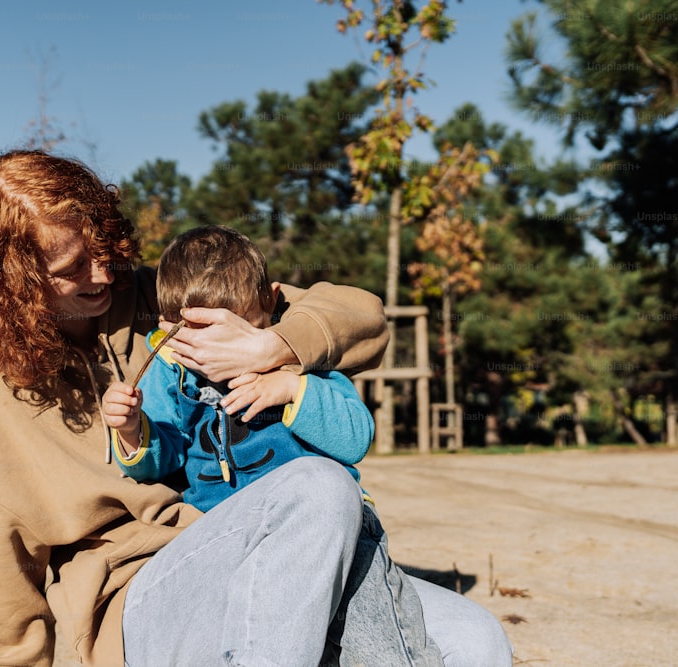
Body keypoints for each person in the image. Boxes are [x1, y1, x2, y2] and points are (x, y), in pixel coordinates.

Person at [0, 149, 512, 667]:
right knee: (322, 487)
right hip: (144, 598)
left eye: (104, 250)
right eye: (72, 267)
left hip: (264, 554)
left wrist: (275, 345)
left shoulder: (166, 298)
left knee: (475, 642)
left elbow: (362, 317)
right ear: (13, 280)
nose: (103, 273)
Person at [103, 225, 446, 665]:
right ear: (172, 326)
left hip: (336, 536)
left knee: (382, 646)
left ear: (272, 300)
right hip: (231, 536)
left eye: (239, 331)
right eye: (201, 337)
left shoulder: (303, 365)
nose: (219, 355)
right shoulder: (171, 373)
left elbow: (355, 436)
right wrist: (133, 430)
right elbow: (161, 462)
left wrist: (291, 389)